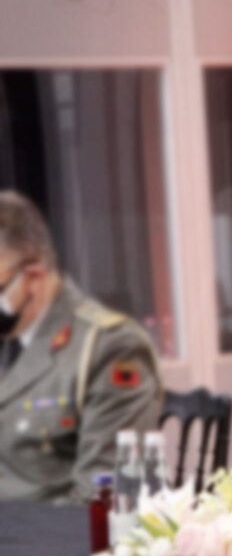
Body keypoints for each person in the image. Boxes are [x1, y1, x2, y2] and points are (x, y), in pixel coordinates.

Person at [0, 190, 162, 503]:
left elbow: (99, 494)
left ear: (32, 277)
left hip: (48, 530)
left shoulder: (111, 348)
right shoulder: (10, 341)